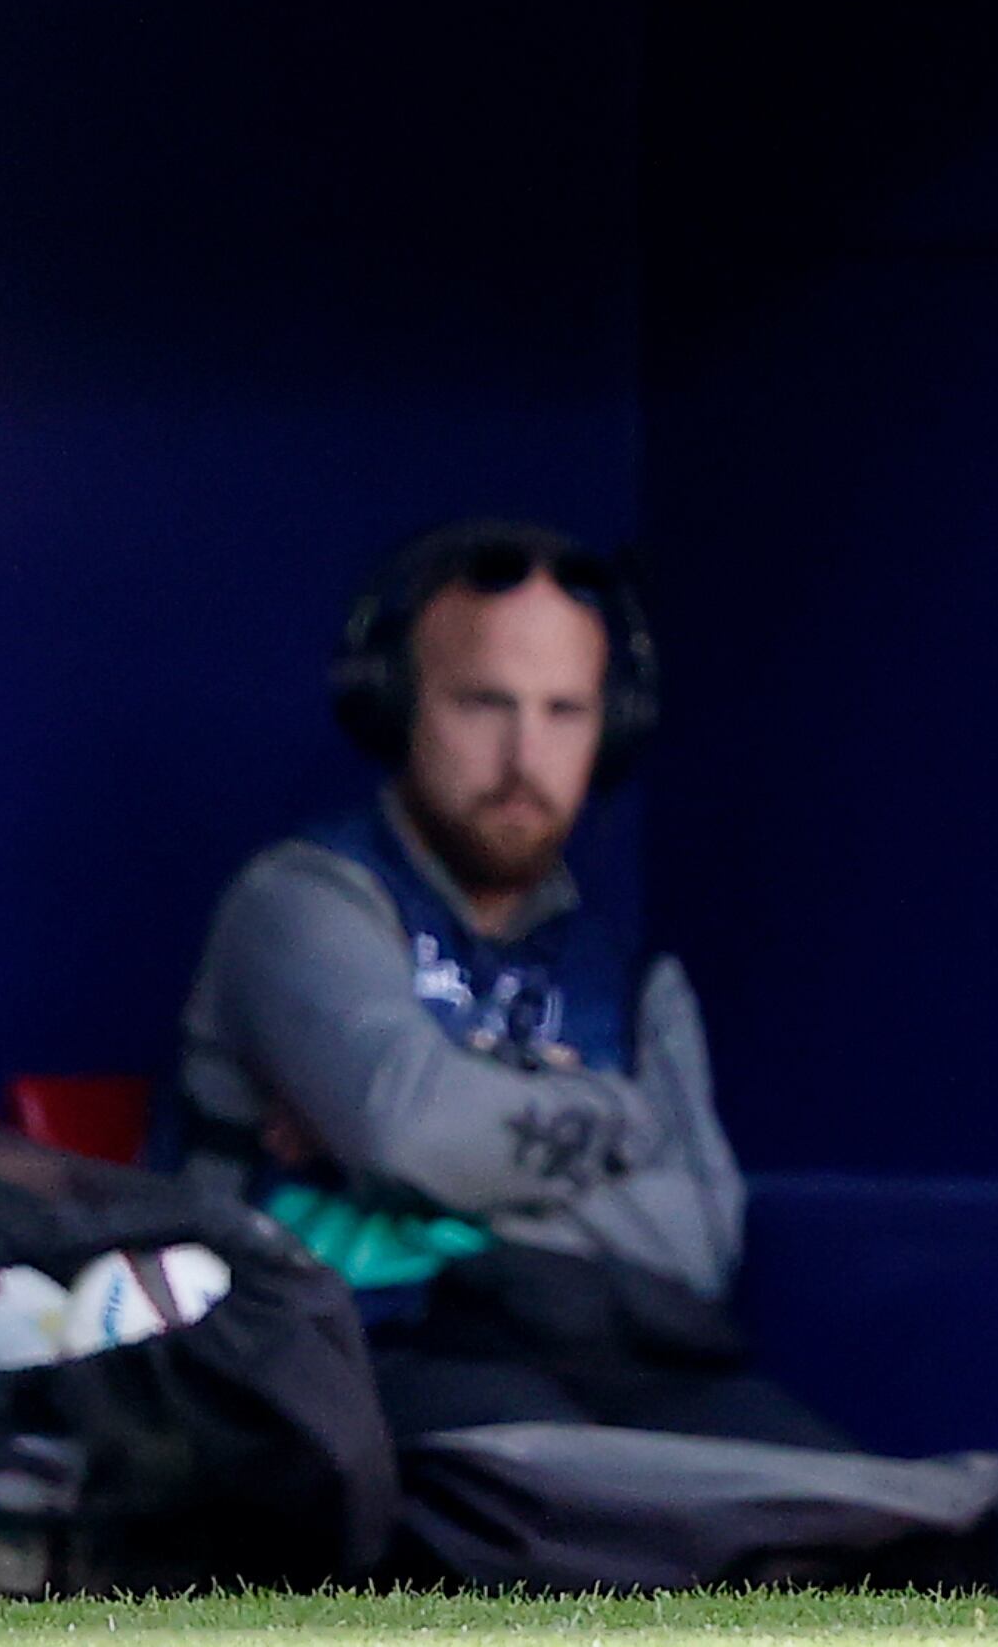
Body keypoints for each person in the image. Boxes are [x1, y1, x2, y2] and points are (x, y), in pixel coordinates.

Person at [174, 522, 838, 1449]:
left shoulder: (635, 981)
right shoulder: (302, 900)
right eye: (485, 703)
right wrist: (619, 1122)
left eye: (565, 711)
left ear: (612, 728)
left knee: (846, 1498)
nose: (526, 756)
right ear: (396, 705)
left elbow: (698, 1243)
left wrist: (442, 1159)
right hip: (348, 1356)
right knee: (566, 1492)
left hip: (613, 1356)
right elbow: (411, 1131)